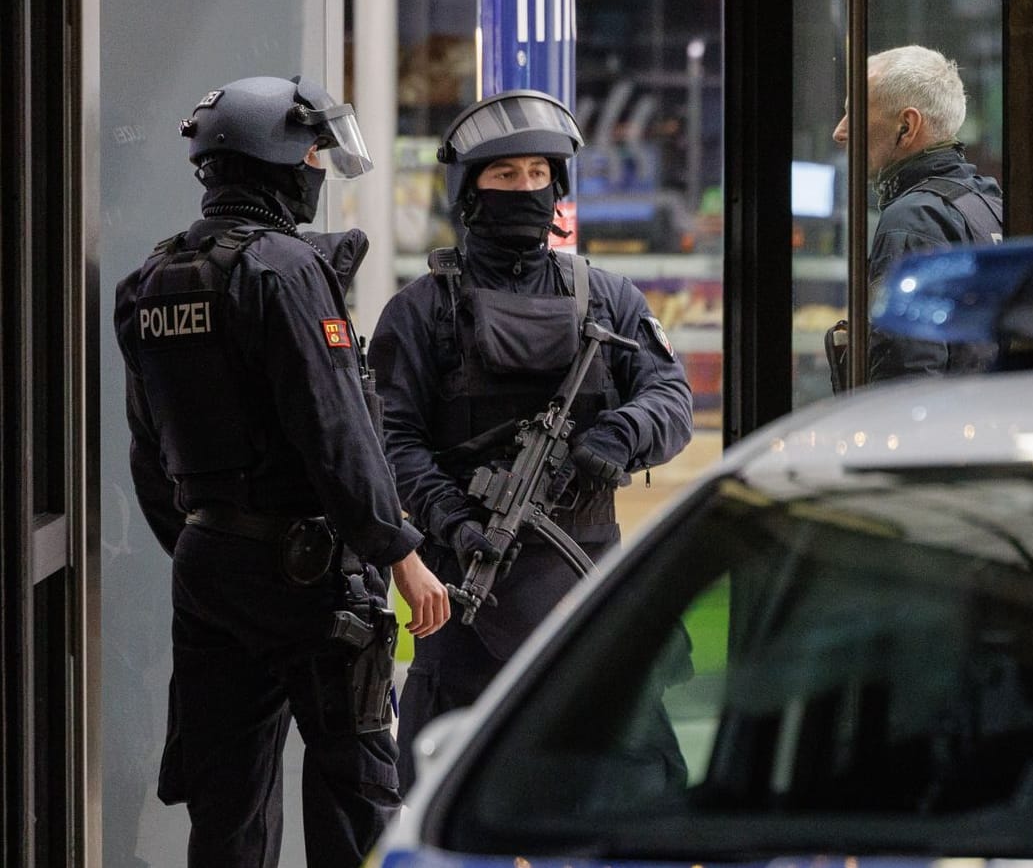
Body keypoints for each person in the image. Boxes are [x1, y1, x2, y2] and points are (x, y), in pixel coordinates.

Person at [113, 75, 451, 868]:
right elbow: (336, 433)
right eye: (311, 155)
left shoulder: (151, 280)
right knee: (355, 797)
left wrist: (209, 538)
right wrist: (399, 552)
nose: (317, 171)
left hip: (208, 568)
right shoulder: (287, 271)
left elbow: (147, 451)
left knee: (226, 802)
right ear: (275, 162)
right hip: (312, 575)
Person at [369, 89, 694, 792]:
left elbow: (672, 400)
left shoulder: (606, 298)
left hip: (583, 590)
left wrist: (620, 432)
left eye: (537, 175)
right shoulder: (420, 312)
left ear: (558, 185)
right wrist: (453, 521)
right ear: (470, 190)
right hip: (464, 596)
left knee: (626, 799)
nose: (524, 189)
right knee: (448, 805)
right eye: (504, 174)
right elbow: (392, 441)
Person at [831, 44, 1004, 383]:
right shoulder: (986, 202)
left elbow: (906, 378)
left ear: (907, 127)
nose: (839, 131)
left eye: (856, 113)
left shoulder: (913, 219)